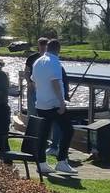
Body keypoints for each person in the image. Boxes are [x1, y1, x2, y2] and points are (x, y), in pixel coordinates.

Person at [32, 38, 77, 174]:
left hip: (41, 103)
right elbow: (56, 83)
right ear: (58, 49)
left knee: (43, 134)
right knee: (68, 130)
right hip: (54, 104)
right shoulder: (55, 62)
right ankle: (62, 161)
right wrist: (62, 102)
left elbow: (34, 81)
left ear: (47, 48)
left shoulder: (38, 62)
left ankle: (41, 163)